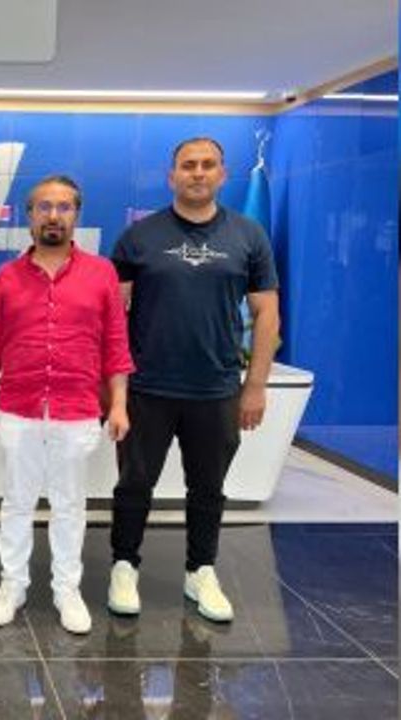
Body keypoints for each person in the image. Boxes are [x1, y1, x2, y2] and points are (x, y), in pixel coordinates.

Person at [107, 137, 280, 623]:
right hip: (148, 388)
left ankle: (200, 571)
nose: (198, 173)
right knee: (134, 484)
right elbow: (113, 317)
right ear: (172, 176)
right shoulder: (139, 237)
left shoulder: (249, 235)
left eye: (207, 165)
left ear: (223, 174)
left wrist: (255, 386)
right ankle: (124, 565)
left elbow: (267, 314)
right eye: (188, 165)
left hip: (217, 390)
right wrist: (114, 389)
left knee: (208, 488)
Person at [0, 175, 132, 634]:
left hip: (76, 409)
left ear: (76, 215)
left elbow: (115, 345)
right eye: (44, 206)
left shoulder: (101, 273)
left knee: (69, 506)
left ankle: (67, 589)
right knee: (16, 503)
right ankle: (13, 585)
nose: (53, 215)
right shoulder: (6, 277)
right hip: (17, 407)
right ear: (29, 216)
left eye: (63, 207)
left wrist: (119, 405)